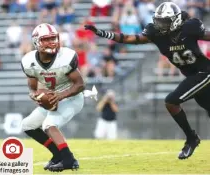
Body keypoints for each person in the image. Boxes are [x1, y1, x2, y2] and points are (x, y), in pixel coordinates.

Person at [85, 2, 210, 160]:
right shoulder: (156, 33)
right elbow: (130, 38)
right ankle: (192, 138)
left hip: (204, 72)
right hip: (192, 76)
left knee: (171, 101)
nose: (160, 25)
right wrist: (104, 33)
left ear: (176, 20)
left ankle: (191, 138)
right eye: (159, 21)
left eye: (164, 21)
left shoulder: (190, 27)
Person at [21, 23, 85, 172]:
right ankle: (57, 155)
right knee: (28, 125)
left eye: (53, 38)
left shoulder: (65, 57)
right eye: (46, 39)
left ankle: (69, 160)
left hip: (71, 98)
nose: (52, 42)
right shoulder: (29, 61)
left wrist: (60, 95)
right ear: (37, 41)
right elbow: (32, 85)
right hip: (51, 98)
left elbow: (80, 84)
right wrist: (34, 94)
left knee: (49, 125)